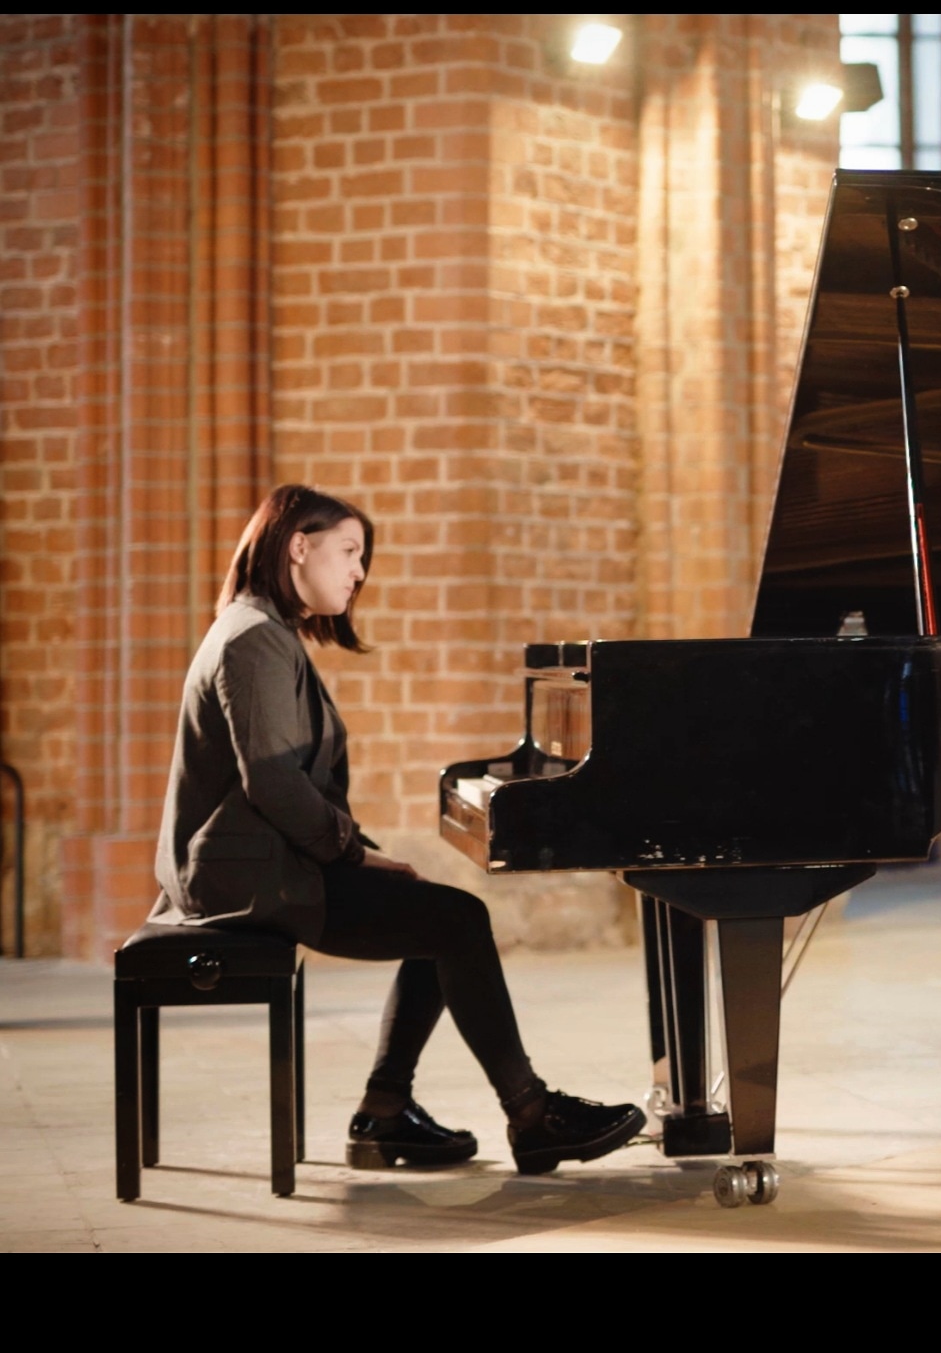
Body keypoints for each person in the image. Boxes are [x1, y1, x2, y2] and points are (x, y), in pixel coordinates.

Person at [150, 484, 645, 1175]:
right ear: (299, 546)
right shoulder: (254, 638)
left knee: (437, 916)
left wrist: (356, 851)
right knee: (457, 920)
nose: (359, 572)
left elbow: (281, 786)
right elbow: (272, 783)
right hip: (246, 880)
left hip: (256, 863)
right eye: (349, 551)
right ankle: (530, 1114)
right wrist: (350, 852)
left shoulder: (260, 629)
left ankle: (387, 1112)